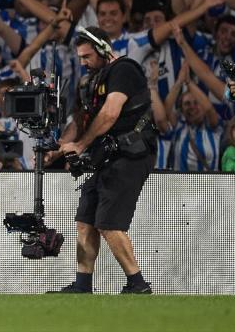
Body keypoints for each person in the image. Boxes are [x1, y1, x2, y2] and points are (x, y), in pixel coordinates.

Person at [52, 26, 157, 294]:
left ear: (102, 50)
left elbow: (110, 113)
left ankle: (137, 283)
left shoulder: (124, 70)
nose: (83, 63)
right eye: (80, 58)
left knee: (109, 224)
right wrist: (60, 147)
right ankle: (82, 284)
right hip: (107, 157)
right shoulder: (91, 82)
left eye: (87, 56)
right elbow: (80, 120)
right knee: (86, 219)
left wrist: (82, 144)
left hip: (131, 155)